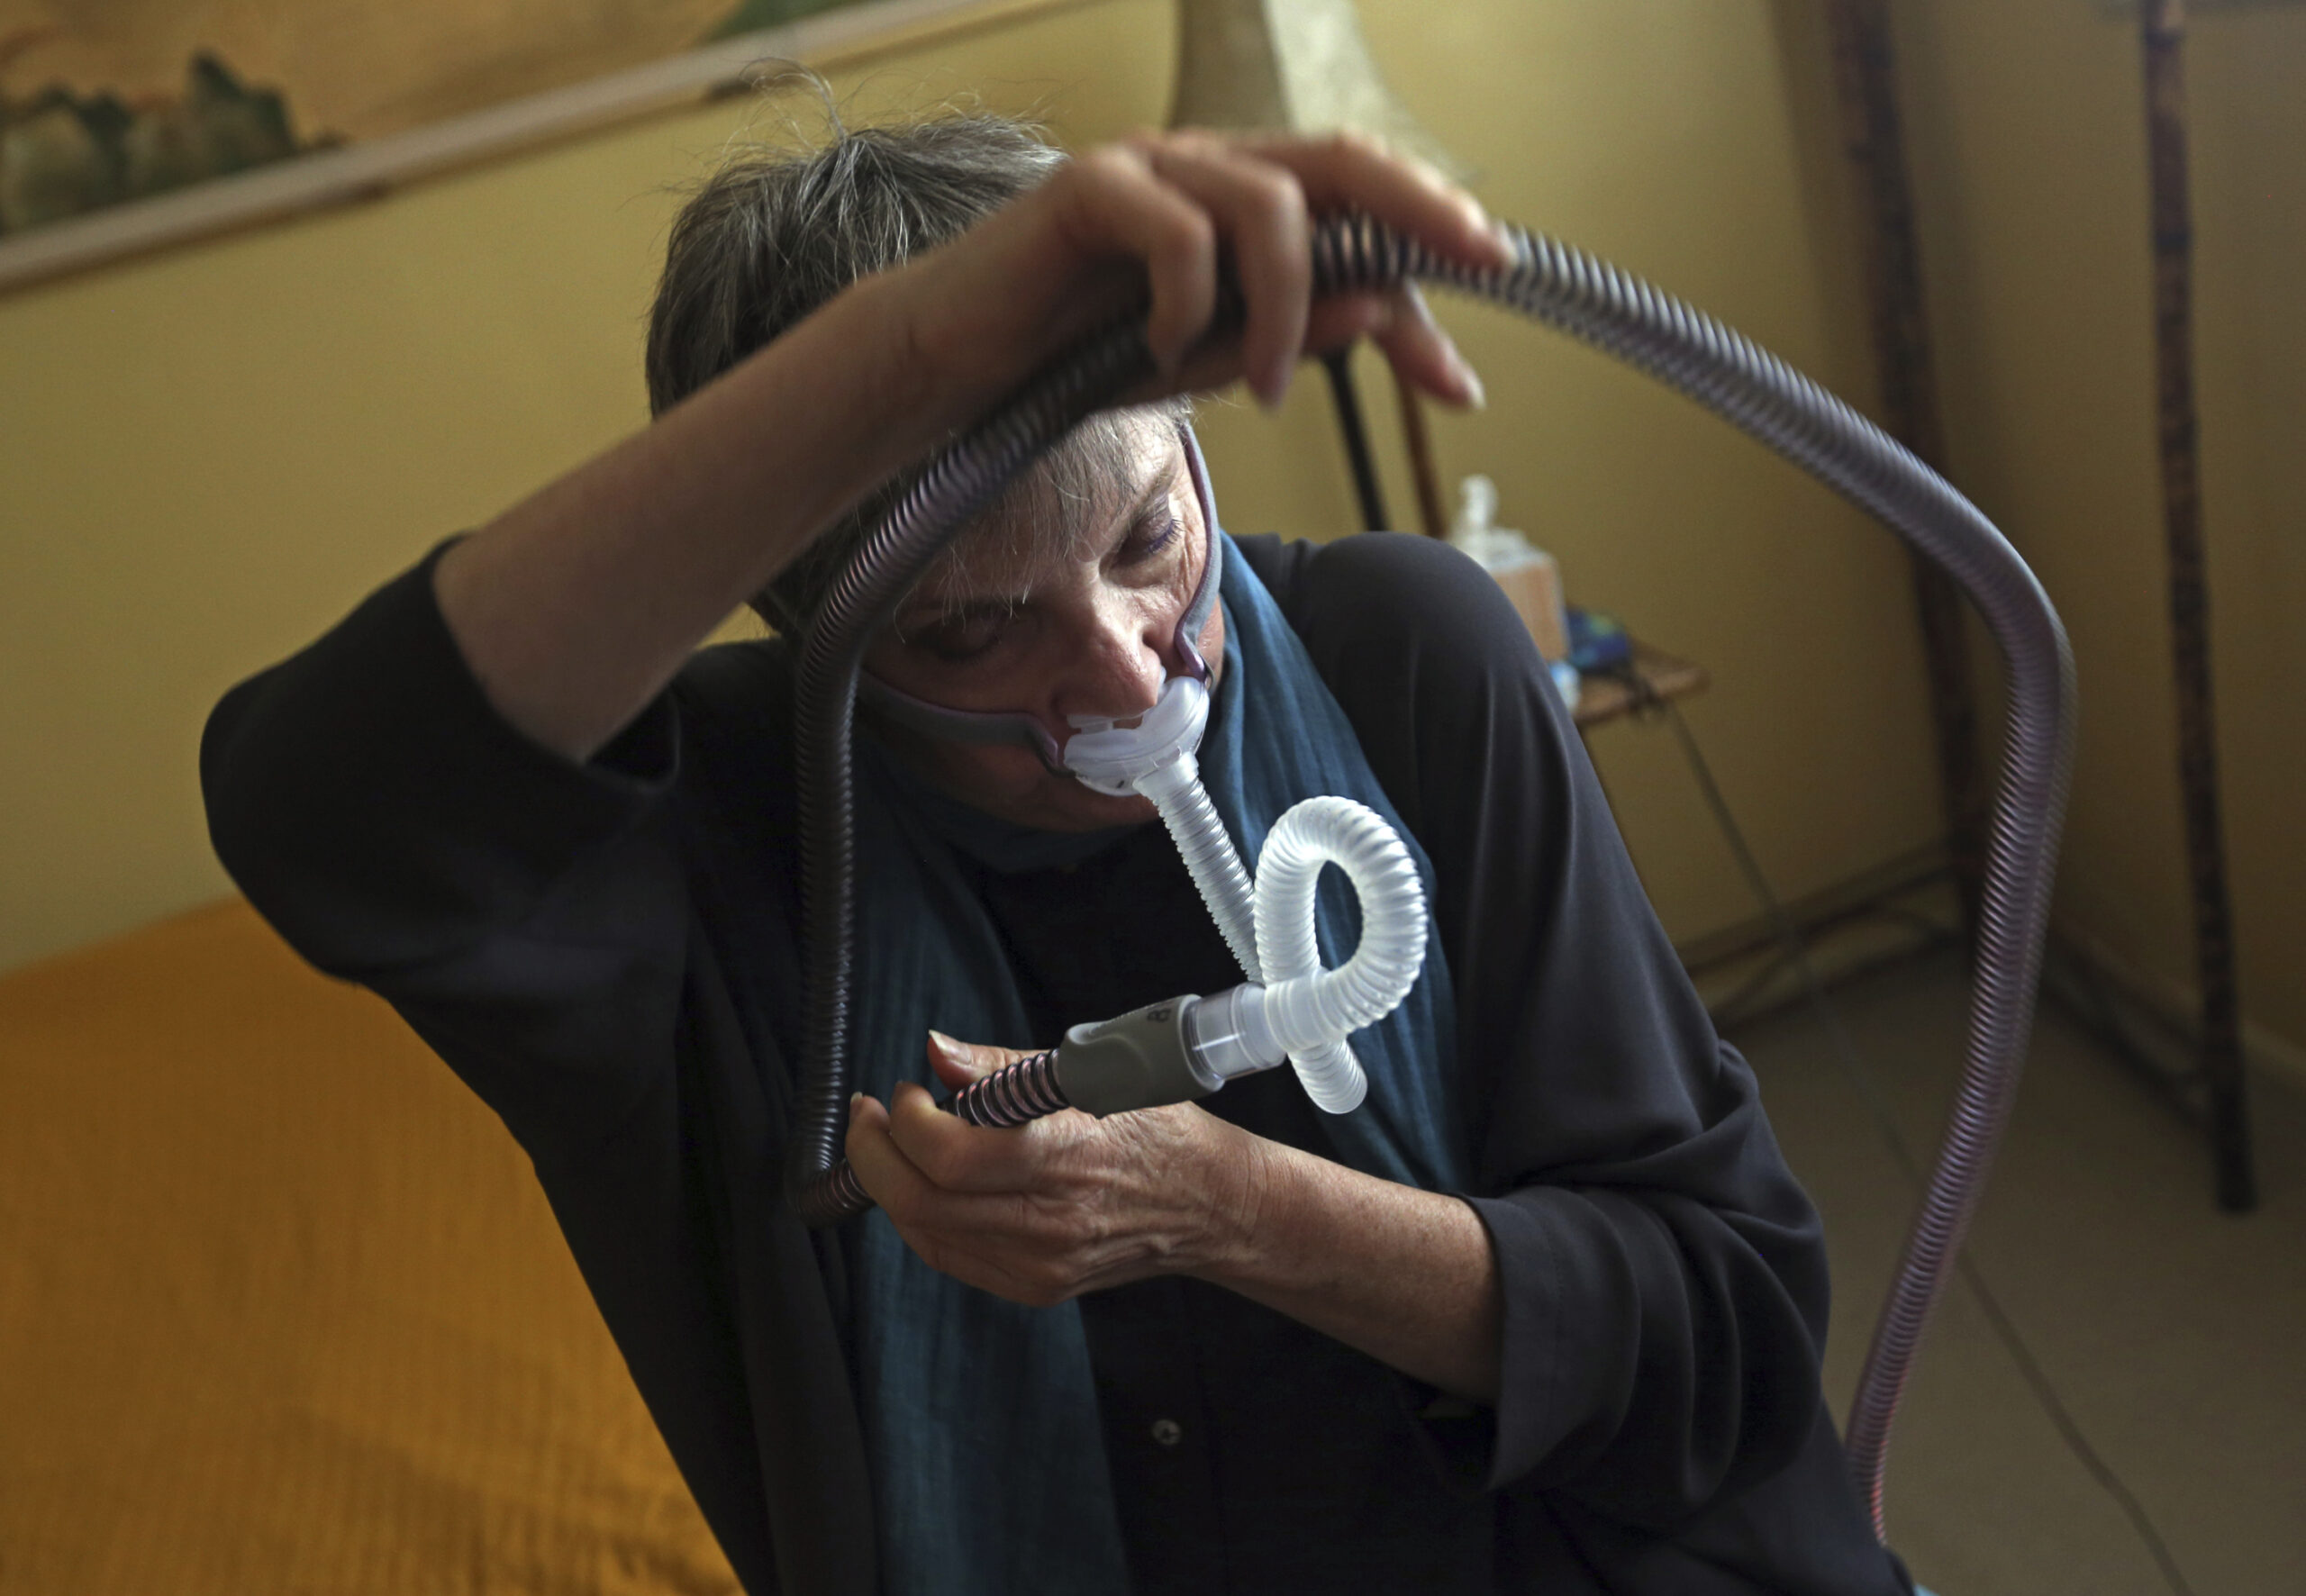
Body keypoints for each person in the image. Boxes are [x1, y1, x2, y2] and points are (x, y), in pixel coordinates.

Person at [203, 105, 1912, 1596]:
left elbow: (1727, 1329)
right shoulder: (716, 830)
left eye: (1150, 537)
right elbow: (328, 820)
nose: (1124, 667)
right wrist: (907, 358)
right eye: (968, 632)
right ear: (826, 644)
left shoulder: (1406, 652)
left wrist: (1235, 1210)